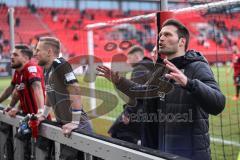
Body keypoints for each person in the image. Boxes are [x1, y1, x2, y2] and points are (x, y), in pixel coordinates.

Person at [97, 19, 225, 159]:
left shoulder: (196, 67)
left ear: (182, 42)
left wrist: (189, 83)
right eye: (160, 35)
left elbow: (218, 104)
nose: (161, 38)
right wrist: (120, 81)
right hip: (165, 151)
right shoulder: (161, 70)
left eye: (167, 34)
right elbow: (143, 93)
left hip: (191, 154)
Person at [34, 37, 92, 159]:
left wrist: (75, 122)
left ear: (49, 52)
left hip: (78, 126)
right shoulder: (46, 69)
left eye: (38, 50)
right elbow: (49, 93)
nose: (35, 53)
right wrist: (44, 114)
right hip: (66, 126)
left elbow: (75, 88)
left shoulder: (60, 64)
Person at [0, 44, 45, 159]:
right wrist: (13, 106)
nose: (11, 57)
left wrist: (40, 111)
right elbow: (14, 91)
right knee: (24, 149)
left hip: (39, 121)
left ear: (25, 58)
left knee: (39, 152)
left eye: (15, 54)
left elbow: (37, 87)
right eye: (11, 54)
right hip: (27, 118)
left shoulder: (31, 68)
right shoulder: (18, 72)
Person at [108, 45, 153, 144]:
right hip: (150, 113)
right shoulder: (152, 67)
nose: (128, 62)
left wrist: (128, 112)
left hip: (138, 112)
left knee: (117, 133)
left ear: (137, 57)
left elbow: (135, 94)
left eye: (129, 58)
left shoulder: (139, 69)